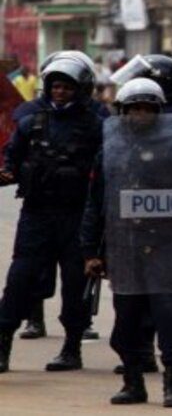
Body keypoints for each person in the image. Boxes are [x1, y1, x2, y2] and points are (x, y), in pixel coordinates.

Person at [80, 78, 172, 407]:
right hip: (123, 244)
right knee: (126, 314)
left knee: (167, 310)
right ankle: (133, 379)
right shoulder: (111, 149)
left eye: (147, 109)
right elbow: (96, 204)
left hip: (165, 242)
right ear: (123, 112)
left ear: (158, 111)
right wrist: (90, 251)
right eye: (134, 109)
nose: (140, 114)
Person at [0, 57, 104, 373]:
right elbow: (12, 158)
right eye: (56, 86)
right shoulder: (32, 122)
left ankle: (72, 348)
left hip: (76, 217)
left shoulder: (95, 126)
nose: (60, 92)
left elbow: (107, 168)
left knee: (76, 285)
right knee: (20, 281)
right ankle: (3, 345)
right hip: (37, 214)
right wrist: (7, 172)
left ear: (80, 90)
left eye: (67, 87)